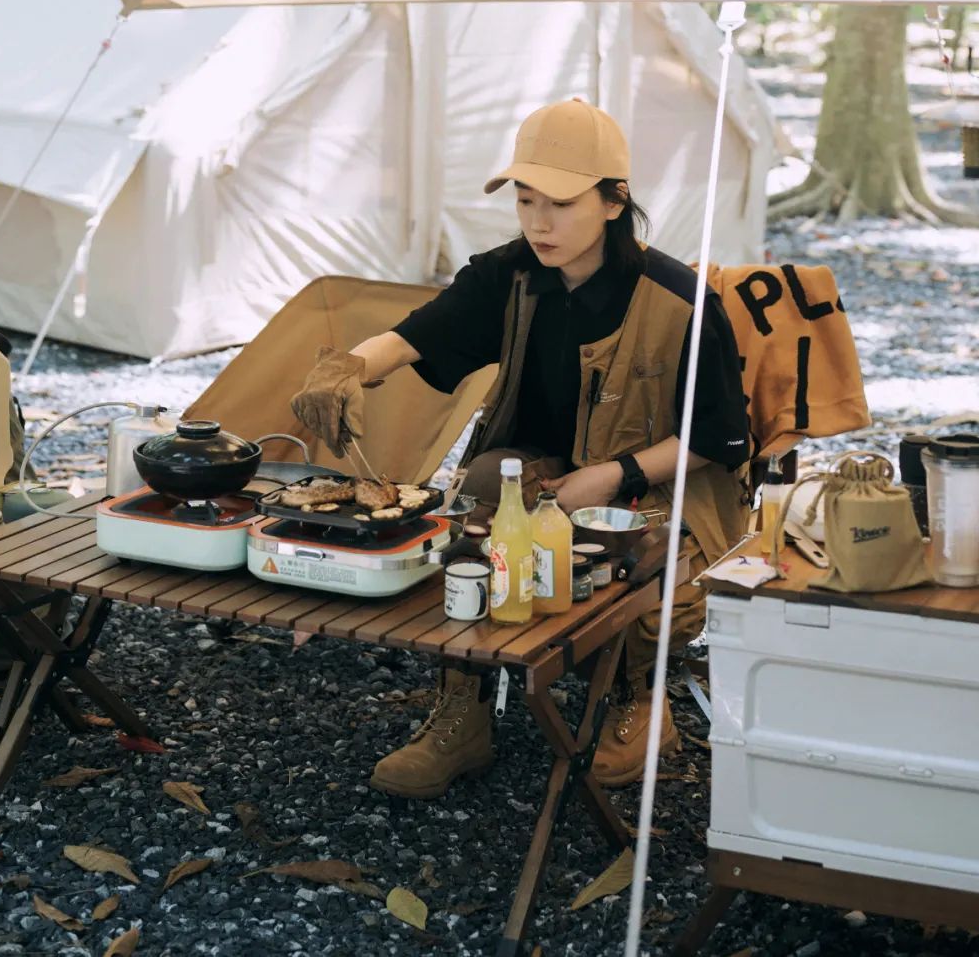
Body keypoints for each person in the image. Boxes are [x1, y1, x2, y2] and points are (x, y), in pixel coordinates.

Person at [292, 98, 750, 797]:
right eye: (525, 199)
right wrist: (349, 365)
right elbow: (418, 334)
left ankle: (640, 697)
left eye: (561, 203)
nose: (540, 222)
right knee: (478, 486)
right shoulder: (509, 275)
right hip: (537, 478)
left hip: (653, 491)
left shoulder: (678, 300)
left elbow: (717, 439)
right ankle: (464, 712)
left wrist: (610, 475)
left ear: (613, 200)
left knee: (643, 569)